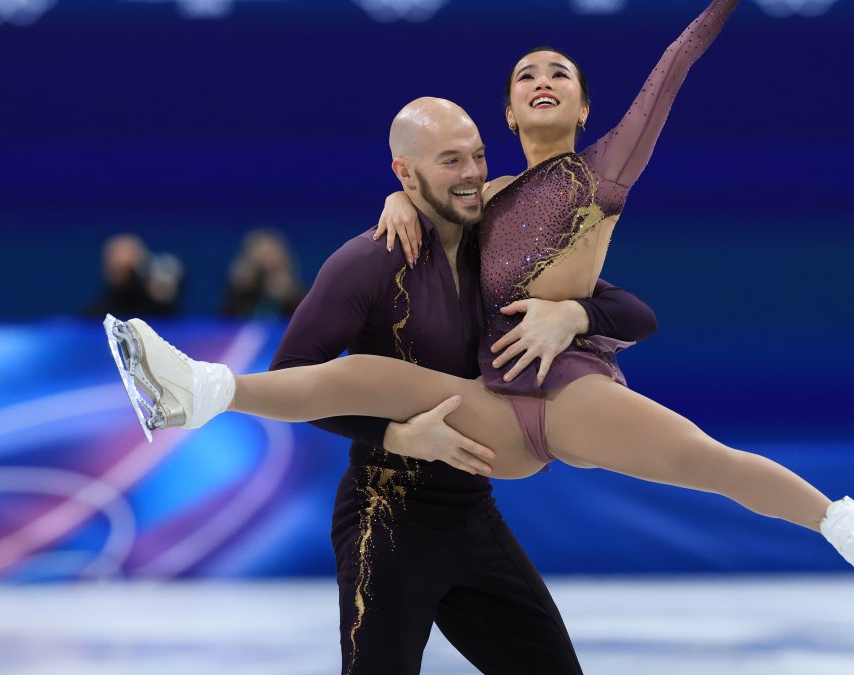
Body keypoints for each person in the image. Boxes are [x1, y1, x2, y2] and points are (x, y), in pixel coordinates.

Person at [105, 0, 854, 612]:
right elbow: (427, 195)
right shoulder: (488, 193)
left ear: (582, 108)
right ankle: (196, 391)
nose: (542, 81)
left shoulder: (603, 172)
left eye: (559, 74)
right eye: (526, 76)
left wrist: (574, 315)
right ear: (506, 112)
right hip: (491, 411)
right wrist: (396, 201)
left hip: (570, 395)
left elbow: (674, 65)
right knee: (366, 374)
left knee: (705, 460)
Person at [273, 98, 657, 675]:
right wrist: (393, 435)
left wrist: (574, 314)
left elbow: (635, 315)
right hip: (386, 516)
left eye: (478, 156)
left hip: (472, 515)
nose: (473, 173)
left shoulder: (497, 255)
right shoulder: (368, 261)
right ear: (405, 172)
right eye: (451, 160)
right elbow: (291, 376)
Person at [221, 228, 307, 318]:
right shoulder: (242, 292)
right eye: (260, 263)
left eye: (273, 268)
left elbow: (306, 320)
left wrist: (290, 296)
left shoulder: (296, 296)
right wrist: (239, 288)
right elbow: (225, 320)